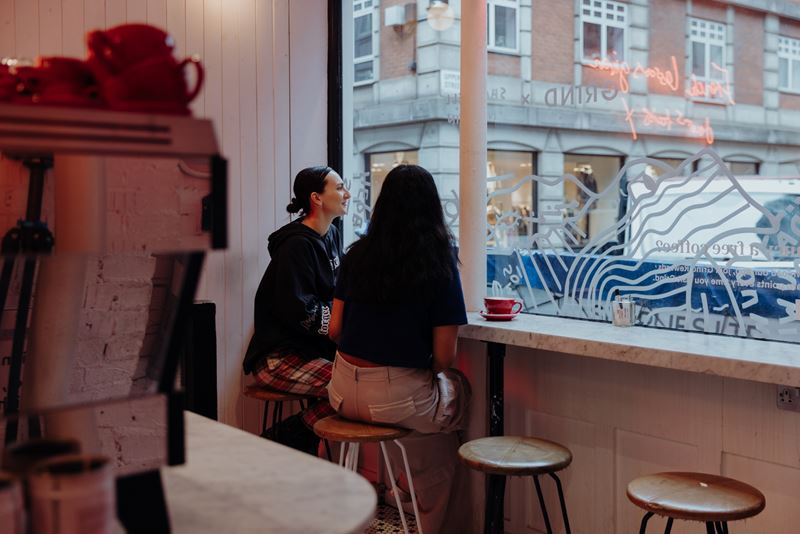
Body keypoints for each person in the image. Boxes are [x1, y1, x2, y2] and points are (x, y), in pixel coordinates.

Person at [328, 164, 471, 534]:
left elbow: (336, 329)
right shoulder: (439, 261)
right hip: (395, 397)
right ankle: (427, 518)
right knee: (453, 400)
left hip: (341, 391)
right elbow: (444, 358)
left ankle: (395, 492)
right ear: (432, 207)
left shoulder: (356, 254)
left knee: (404, 414)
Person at [243, 165, 350, 454]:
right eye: (339, 188)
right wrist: (341, 318)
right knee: (354, 389)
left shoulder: (332, 236)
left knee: (360, 383)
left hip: (310, 354)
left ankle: (294, 436)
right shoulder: (296, 247)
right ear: (316, 198)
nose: (347, 194)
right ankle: (287, 438)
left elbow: (336, 294)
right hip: (279, 358)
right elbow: (302, 311)